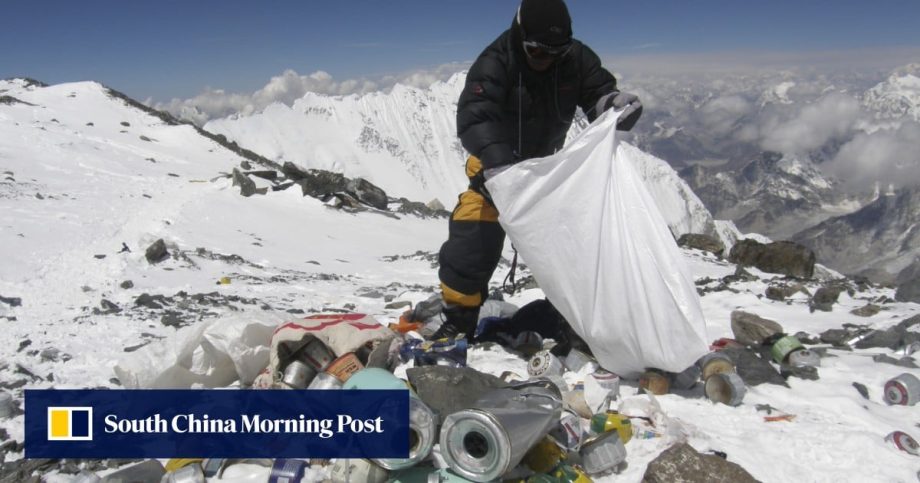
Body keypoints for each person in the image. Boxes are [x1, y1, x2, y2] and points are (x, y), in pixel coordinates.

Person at [432, 0, 643, 340]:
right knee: (471, 242)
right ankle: (460, 318)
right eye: (538, 52)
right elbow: (475, 117)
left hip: (547, 173)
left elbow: (597, 92)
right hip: (493, 173)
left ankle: (573, 318)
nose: (547, 61)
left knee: (574, 245)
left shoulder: (575, 59)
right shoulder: (495, 62)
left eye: (556, 53)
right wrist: (500, 166)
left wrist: (611, 105)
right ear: (520, 35)